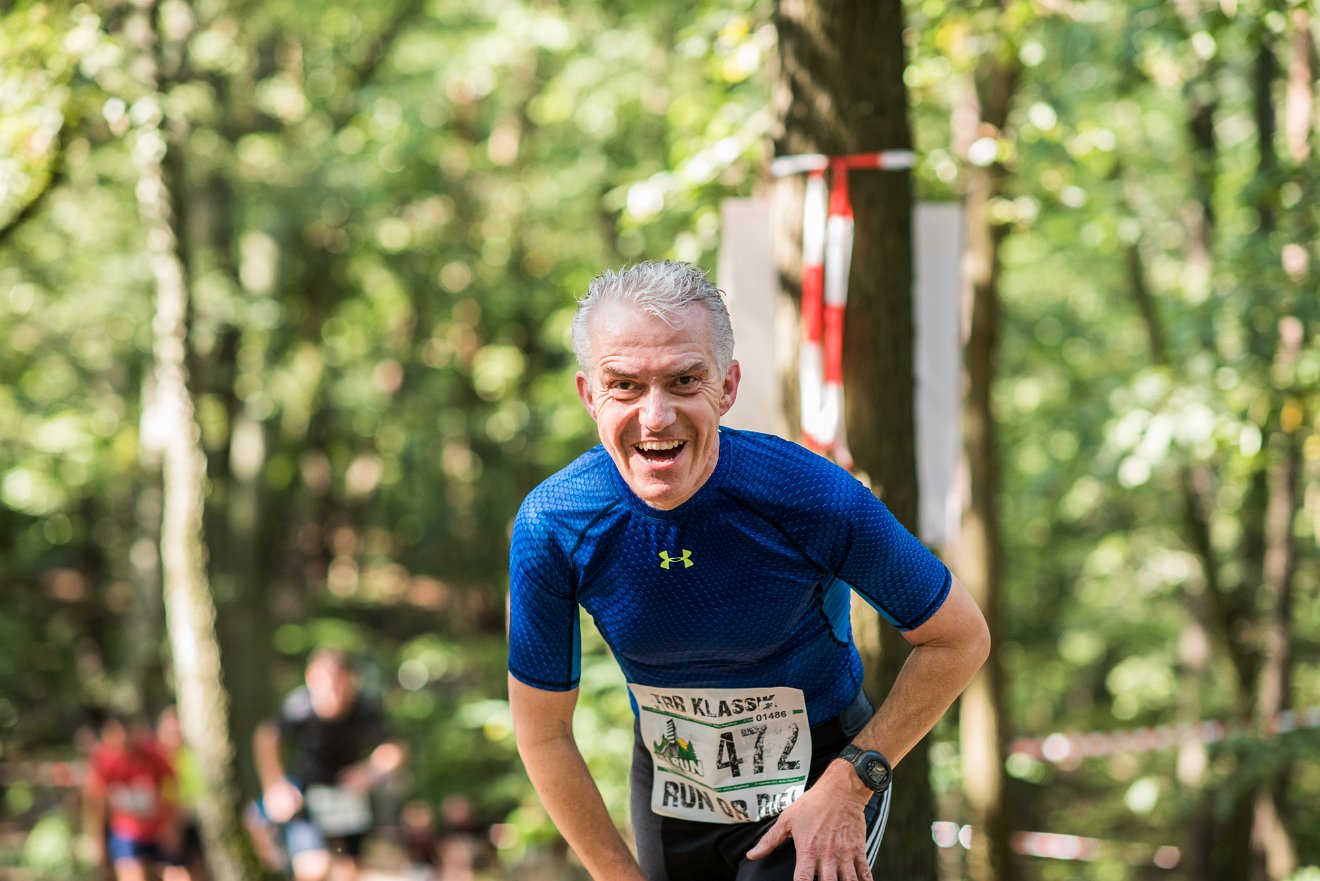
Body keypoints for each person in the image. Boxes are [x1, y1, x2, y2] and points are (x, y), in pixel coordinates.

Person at [507, 260, 991, 881]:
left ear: (728, 386)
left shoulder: (810, 497)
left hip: (820, 777)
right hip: (673, 784)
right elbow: (543, 732)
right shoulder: (554, 522)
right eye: (624, 385)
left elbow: (959, 638)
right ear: (588, 395)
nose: (655, 416)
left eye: (685, 380)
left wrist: (852, 781)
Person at [252, 648, 405, 881]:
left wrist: (371, 772)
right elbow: (267, 737)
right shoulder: (300, 706)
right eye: (323, 681)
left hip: (348, 797)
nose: (331, 689)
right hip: (307, 795)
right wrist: (276, 785)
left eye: (337, 681)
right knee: (313, 869)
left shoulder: (364, 708)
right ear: (310, 680)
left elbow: (394, 748)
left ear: (350, 680)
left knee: (349, 871)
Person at [81, 712, 189, 881]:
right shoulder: (102, 760)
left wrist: (172, 826)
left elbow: (173, 787)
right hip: (125, 832)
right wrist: (96, 839)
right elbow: (96, 802)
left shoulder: (152, 754)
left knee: (178, 875)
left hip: (157, 830)